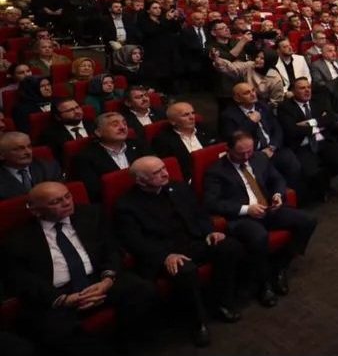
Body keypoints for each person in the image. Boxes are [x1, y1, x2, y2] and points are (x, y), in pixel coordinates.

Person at [2, 181, 157, 356]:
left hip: (96, 280)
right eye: (55, 202)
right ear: (35, 210)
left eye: (67, 196)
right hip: (57, 293)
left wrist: (107, 280)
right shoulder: (18, 239)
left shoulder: (92, 215)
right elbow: (21, 278)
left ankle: (128, 345)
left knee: (143, 290)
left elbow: (111, 249)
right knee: (51, 329)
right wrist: (63, 299)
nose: (67, 203)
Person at [115, 156, 245, 347]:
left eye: (163, 168)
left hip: (193, 241)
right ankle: (198, 322)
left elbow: (199, 213)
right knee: (185, 271)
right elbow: (134, 241)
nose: (165, 174)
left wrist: (210, 232)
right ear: (141, 181)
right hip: (164, 253)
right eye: (157, 173)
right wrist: (164, 256)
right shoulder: (126, 205)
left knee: (229, 247)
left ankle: (222, 302)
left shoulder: (178, 187)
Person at [202, 132, 318, 307]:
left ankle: (280, 266)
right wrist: (246, 209)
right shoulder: (216, 171)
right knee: (259, 237)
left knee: (308, 220)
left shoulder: (259, 158)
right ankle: (263, 284)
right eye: (241, 153)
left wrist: (278, 194)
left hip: (268, 208)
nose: (246, 157)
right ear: (229, 149)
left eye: (249, 151)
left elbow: (277, 178)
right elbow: (212, 203)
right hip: (242, 218)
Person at [277, 77, 338, 200]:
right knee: (311, 172)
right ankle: (321, 188)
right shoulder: (285, 107)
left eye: (308, 87)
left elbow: (329, 118)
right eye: (302, 88)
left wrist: (309, 123)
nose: (307, 90)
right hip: (302, 145)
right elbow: (292, 130)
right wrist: (318, 124)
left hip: (322, 140)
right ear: (293, 91)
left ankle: (325, 181)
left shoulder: (318, 101)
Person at [218, 82, 302, 191]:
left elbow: (277, 129)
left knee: (293, 164)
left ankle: (289, 195)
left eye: (253, 90)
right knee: (266, 177)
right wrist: (250, 122)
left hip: (273, 149)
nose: (253, 94)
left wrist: (272, 147)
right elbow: (234, 140)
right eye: (247, 93)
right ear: (237, 98)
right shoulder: (228, 116)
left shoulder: (262, 106)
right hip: (252, 155)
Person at [71, 112, 149, 202]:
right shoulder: (85, 158)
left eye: (124, 123)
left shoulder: (138, 144)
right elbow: (95, 192)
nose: (122, 127)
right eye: (115, 125)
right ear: (98, 132)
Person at [152, 101, 214, 181]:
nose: (192, 117)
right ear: (173, 121)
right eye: (186, 115)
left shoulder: (205, 129)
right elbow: (172, 169)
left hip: (213, 171)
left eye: (193, 113)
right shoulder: (163, 141)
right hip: (189, 179)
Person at [0, 130, 62, 199]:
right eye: (19, 149)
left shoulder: (49, 168)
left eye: (29, 146)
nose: (28, 152)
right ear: (1, 155)